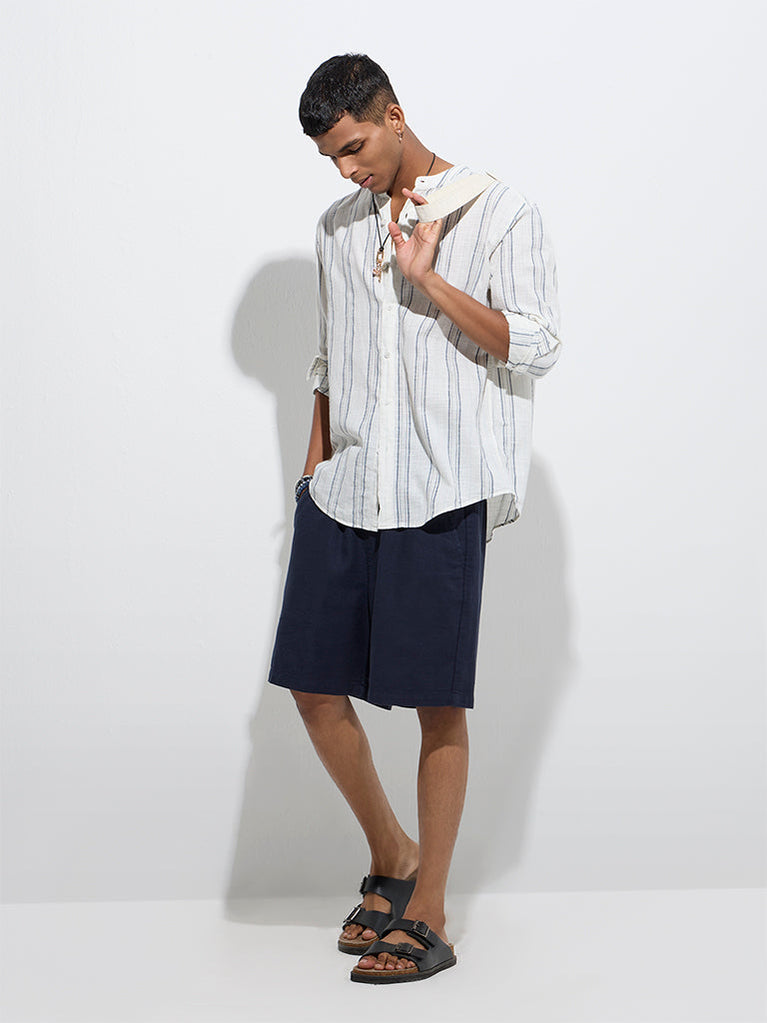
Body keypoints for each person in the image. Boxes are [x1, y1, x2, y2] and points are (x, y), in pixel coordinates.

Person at [267, 53, 562, 984]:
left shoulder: (497, 211)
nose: (346, 167)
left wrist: (429, 280)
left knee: (438, 702)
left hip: (441, 487)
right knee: (313, 688)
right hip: (345, 488)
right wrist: (310, 478)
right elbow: (328, 360)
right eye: (331, 157)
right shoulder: (336, 227)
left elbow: (537, 345)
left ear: (393, 115)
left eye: (354, 146)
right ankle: (391, 853)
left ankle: (428, 908)